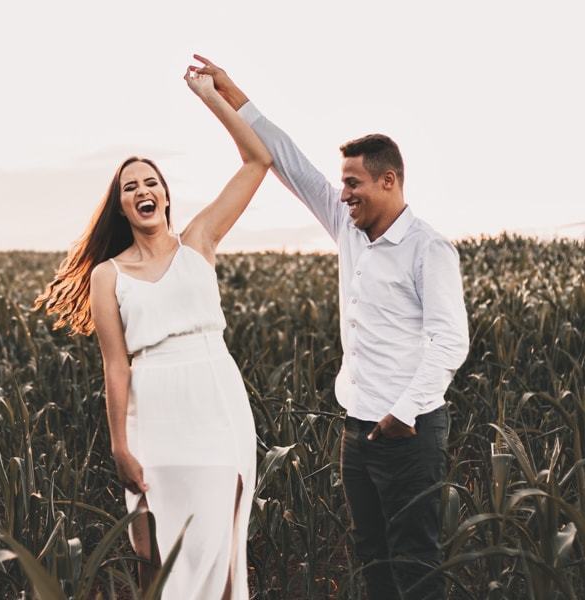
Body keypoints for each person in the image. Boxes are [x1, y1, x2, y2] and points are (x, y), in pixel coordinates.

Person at [192, 55, 470, 600]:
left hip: (409, 432)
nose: (342, 195)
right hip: (358, 430)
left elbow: (450, 341)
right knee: (372, 557)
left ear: (389, 180)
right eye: (341, 185)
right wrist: (230, 93)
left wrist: (403, 413)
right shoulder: (349, 227)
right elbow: (289, 162)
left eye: (354, 184)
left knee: (415, 563)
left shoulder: (427, 248)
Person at [35, 66, 272, 599]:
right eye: (130, 187)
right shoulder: (107, 275)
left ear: (165, 195)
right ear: (122, 206)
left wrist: (212, 98)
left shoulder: (200, 242)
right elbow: (115, 365)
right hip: (155, 416)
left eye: (151, 182)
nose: (142, 190)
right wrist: (120, 444)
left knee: (217, 543)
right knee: (157, 557)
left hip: (216, 402)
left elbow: (258, 161)